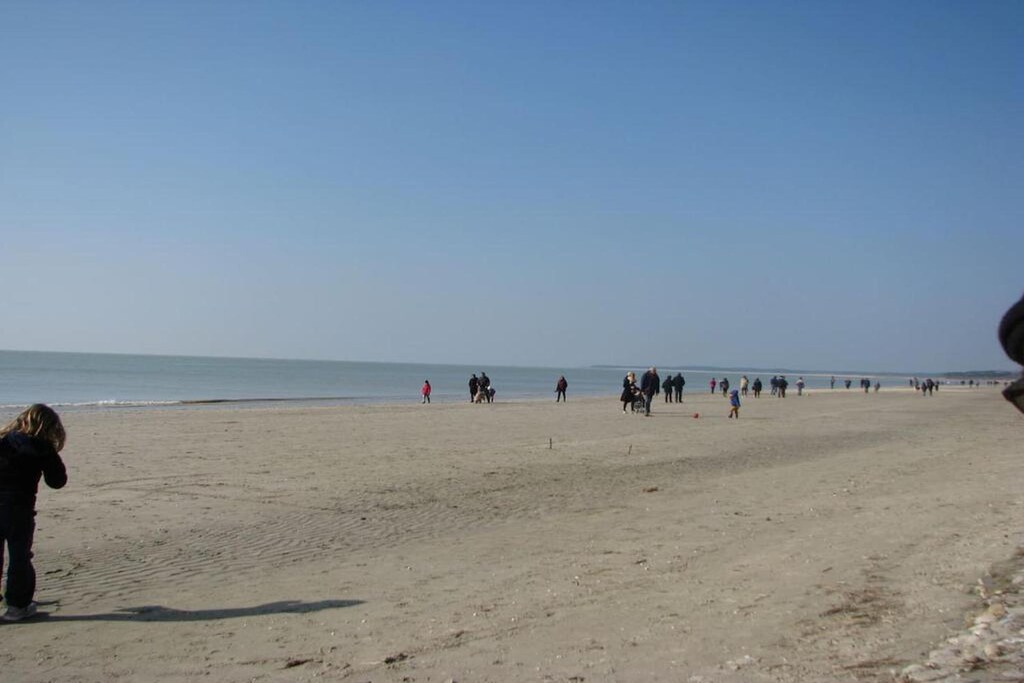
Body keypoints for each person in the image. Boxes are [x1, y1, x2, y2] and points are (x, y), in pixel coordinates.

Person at [0, 404, 68, 622]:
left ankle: (17, 605)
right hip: (18, 508)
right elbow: (57, 481)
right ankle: (17, 606)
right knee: (19, 556)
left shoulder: (3, 440)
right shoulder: (41, 447)